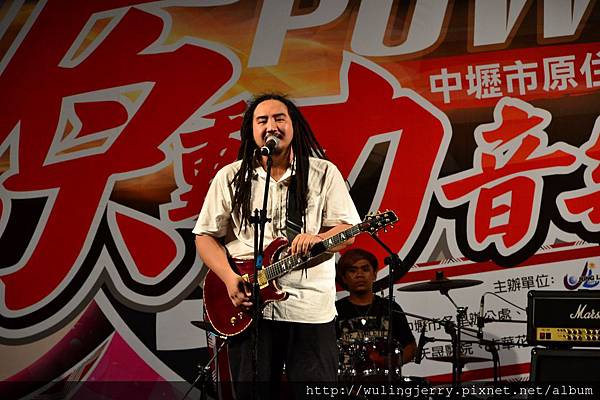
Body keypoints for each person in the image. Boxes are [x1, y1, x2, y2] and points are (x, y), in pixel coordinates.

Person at [193, 93, 361, 399]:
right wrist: (229, 279)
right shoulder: (231, 177)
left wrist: (318, 239)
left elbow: (348, 231)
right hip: (251, 310)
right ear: (252, 129)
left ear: (293, 125)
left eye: (279, 118)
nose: (271, 126)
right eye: (262, 120)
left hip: (309, 310)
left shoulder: (323, 173)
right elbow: (204, 236)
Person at [335, 248, 416, 376]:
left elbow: (410, 347)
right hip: (347, 383)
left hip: (386, 381)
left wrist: (391, 362)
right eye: (352, 271)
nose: (359, 275)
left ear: (374, 274)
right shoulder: (334, 311)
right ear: (344, 278)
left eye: (365, 269)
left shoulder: (390, 307)